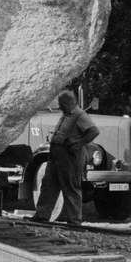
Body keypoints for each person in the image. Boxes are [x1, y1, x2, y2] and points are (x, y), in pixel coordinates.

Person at [31, 90, 101, 225]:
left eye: (60, 103)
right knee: (49, 184)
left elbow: (94, 131)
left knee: (71, 187)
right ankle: (42, 215)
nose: (59, 106)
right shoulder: (65, 115)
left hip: (69, 156)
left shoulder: (80, 115)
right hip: (56, 154)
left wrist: (79, 145)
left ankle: (74, 220)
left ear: (66, 102)